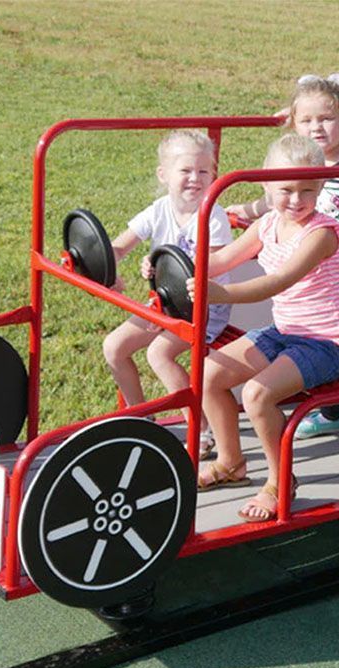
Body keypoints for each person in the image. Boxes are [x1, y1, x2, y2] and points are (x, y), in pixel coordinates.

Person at [189, 134, 339, 522]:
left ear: (321, 188)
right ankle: (232, 462)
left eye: (307, 190)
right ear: (266, 185)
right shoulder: (266, 224)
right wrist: (178, 265)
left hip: (327, 343)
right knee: (210, 373)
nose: (296, 201)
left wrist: (219, 293)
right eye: (286, 190)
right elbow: (222, 259)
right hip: (285, 331)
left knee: (257, 395)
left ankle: (281, 482)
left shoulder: (321, 234)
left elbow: (279, 282)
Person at [227, 76, 339, 466]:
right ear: (295, 125)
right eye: (307, 121)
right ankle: (330, 416)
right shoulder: (302, 168)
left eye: (327, 120)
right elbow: (272, 201)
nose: (317, 129)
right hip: (317, 286)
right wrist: (243, 212)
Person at [102, 129, 233, 459]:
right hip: (165, 302)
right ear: (164, 175)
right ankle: (141, 417)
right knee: (114, 347)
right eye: (185, 171)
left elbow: (214, 265)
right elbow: (119, 245)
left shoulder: (212, 215)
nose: (195, 179)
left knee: (158, 354)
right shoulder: (158, 210)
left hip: (204, 305)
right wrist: (108, 264)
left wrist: (163, 267)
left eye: (204, 171)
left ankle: (199, 428)